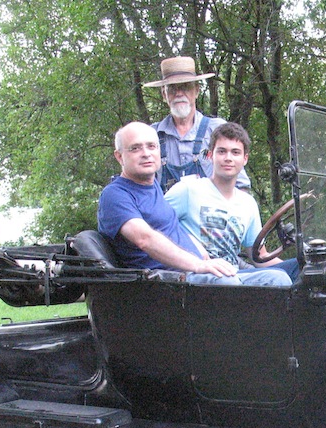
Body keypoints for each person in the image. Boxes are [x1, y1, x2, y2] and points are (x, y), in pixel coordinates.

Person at [96, 122, 287, 286]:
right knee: (228, 284)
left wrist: (199, 250)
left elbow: (170, 226)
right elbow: (145, 238)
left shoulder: (151, 187)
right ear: (119, 156)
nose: (146, 154)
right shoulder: (115, 195)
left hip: (195, 272)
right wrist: (199, 265)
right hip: (165, 283)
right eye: (135, 148)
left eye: (151, 146)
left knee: (279, 279)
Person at [165, 122, 297, 283]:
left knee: (286, 275)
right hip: (195, 276)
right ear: (210, 155)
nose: (228, 158)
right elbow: (156, 226)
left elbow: (260, 257)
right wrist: (189, 242)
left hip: (234, 274)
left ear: (245, 159)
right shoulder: (187, 190)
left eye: (235, 152)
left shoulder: (247, 203)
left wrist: (296, 264)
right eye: (222, 151)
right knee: (229, 282)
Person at [144, 56, 250, 192]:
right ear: (164, 94)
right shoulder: (150, 136)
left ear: (197, 90)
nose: (179, 93)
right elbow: (140, 188)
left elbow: (241, 186)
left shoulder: (218, 130)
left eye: (185, 87)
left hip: (213, 206)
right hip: (165, 207)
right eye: (172, 88)